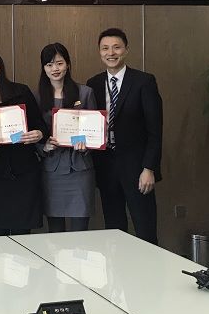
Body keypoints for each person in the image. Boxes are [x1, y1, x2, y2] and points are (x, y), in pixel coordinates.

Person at [86, 28, 162, 244]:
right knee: (114, 229)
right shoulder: (93, 83)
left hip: (137, 168)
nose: (111, 53)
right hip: (106, 166)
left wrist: (149, 168)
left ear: (126, 50)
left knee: (145, 228)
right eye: (105, 48)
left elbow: (155, 130)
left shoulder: (144, 81)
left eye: (116, 47)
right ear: (99, 52)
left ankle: (148, 265)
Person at [0, 45, 46, 236]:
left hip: (25, 172)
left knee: (23, 234)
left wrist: (38, 134)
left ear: (0, 65)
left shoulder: (21, 91)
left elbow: (41, 125)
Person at [35, 43, 97, 233]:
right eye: (49, 64)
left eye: (59, 63)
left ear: (68, 64)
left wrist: (86, 146)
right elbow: (33, 134)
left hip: (80, 168)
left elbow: (95, 131)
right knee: (55, 233)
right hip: (51, 170)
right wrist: (44, 147)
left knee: (80, 231)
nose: (55, 68)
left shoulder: (85, 93)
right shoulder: (37, 97)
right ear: (44, 68)